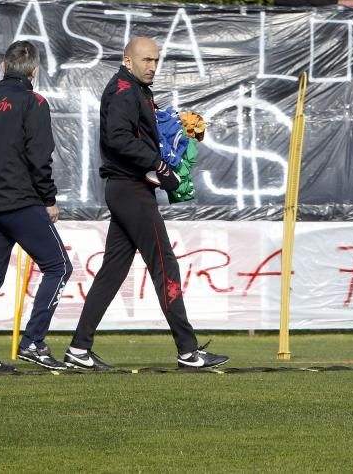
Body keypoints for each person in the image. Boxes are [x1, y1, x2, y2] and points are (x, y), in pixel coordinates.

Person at [64, 37, 229, 371]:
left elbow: (141, 132)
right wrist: (160, 165)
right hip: (130, 190)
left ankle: (79, 349)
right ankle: (188, 350)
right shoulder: (124, 91)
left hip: (129, 189)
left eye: (156, 60)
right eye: (146, 60)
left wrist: (178, 131)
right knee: (165, 265)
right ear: (128, 62)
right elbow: (118, 138)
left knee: (112, 271)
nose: (152, 66)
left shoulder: (136, 90)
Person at [0, 41, 73, 374]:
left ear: (3, 66)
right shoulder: (33, 102)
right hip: (20, 201)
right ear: (34, 72)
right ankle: (34, 341)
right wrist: (48, 199)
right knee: (59, 267)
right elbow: (39, 157)